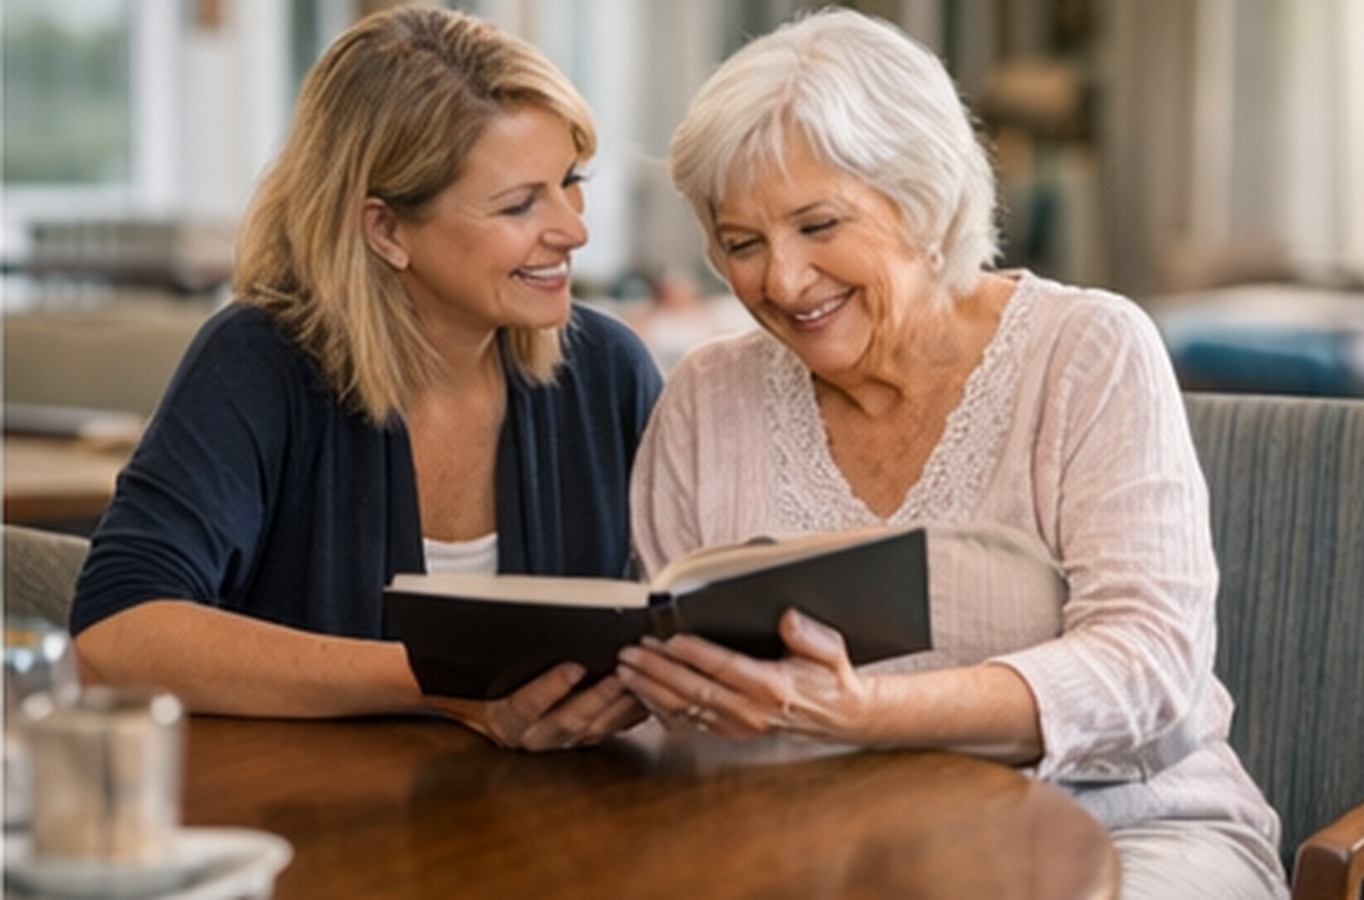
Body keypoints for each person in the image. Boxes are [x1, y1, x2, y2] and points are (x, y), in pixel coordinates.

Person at [617, 9, 1289, 897]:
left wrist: (863, 714)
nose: (781, 281)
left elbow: (1150, 666)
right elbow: (681, 682)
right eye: (743, 244)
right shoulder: (705, 396)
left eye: (819, 225)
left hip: (1126, 826)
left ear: (925, 200)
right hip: (804, 842)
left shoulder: (1086, 351)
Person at [69, 6, 661, 752]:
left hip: (561, 829)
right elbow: (114, 637)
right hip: (313, 832)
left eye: (568, 182)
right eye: (519, 204)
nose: (575, 230)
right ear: (385, 230)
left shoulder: (607, 370)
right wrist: (447, 684)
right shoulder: (258, 364)